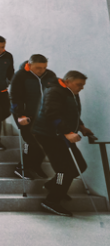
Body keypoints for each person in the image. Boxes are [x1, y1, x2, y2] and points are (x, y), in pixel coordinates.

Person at [32, 71, 96, 216]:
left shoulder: (70, 92)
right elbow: (52, 113)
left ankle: (53, 186)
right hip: (49, 135)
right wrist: (67, 132)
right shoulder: (54, 91)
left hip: (62, 135)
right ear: (67, 81)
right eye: (79, 84)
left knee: (80, 165)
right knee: (64, 170)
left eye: (83, 85)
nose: (82, 88)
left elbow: (72, 113)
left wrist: (81, 127)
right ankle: (52, 201)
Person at [9, 55, 57, 180]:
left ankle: (35, 166)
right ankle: (21, 168)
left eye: (44, 67)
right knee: (31, 142)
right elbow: (14, 97)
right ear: (30, 65)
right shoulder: (20, 76)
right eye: (38, 68)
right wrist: (20, 115)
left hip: (44, 117)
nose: (42, 70)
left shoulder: (50, 75)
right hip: (25, 115)